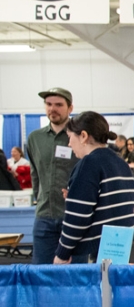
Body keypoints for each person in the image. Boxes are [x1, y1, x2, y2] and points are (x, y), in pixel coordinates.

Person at [52, 112, 134, 264]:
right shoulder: (119, 161)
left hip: (107, 250)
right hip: (133, 241)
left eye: (70, 138)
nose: (69, 144)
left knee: (105, 288)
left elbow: (77, 217)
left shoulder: (87, 164)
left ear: (83, 136)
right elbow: (130, 197)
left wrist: (62, 253)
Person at [26, 87, 77, 263]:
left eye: (58, 105)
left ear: (70, 108)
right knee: (41, 275)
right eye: (48, 104)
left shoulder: (81, 137)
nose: (52, 109)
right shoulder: (34, 138)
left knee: (77, 277)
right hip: (44, 217)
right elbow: (35, 174)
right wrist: (38, 199)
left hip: (74, 217)